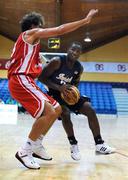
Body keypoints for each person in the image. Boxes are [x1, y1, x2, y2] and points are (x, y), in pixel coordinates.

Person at [8, 10, 98, 169]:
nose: (42, 30)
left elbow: (43, 70)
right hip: (20, 79)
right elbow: (60, 30)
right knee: (49, 111)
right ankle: (25, 150)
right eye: (40, 27)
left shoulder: (30, 49)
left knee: (56, 109)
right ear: (33, 25)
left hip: (25, 80)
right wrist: (85, 21)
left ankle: (36, 144)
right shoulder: (30, 34)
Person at [38, 42, 116, 161]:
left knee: (90, 109)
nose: (75, 52)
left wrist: (72, 93)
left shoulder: (79, 68)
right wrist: (59, 88)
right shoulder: (57, 61)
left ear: (80, 54)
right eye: (73, 49)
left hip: (67, 93)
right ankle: (73, 144)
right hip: (53, 92)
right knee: (65, 113)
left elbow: (75, 84)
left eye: (78, 51)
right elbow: (41, 78)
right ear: (67, 49)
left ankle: (99, 144)